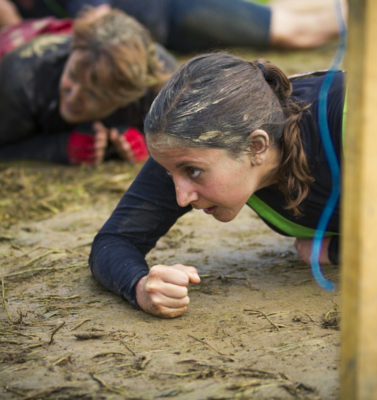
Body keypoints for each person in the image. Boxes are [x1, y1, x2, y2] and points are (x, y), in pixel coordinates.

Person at [89, 52, 345, 318]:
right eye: (169, 173)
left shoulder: (356, 126)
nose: (181, 198)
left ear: (256, 147)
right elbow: (114, 241)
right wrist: (140, 286)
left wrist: (341, 250)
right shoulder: (184, 148)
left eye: (194, 172)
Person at [0, 7, 178, 164]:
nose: (74, 96)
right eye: (72, 76)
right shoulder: (23, 80)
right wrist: (60, 148)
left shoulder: (161, 86)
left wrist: (148, 144)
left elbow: (184, 142)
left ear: (126, 99)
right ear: (72, 51)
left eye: (93, 95)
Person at [1, 0, 346, 52]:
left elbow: (100, 25)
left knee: (288, 30)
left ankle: (372, 15)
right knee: (280, 15)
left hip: (175, 13)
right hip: (165, 31)